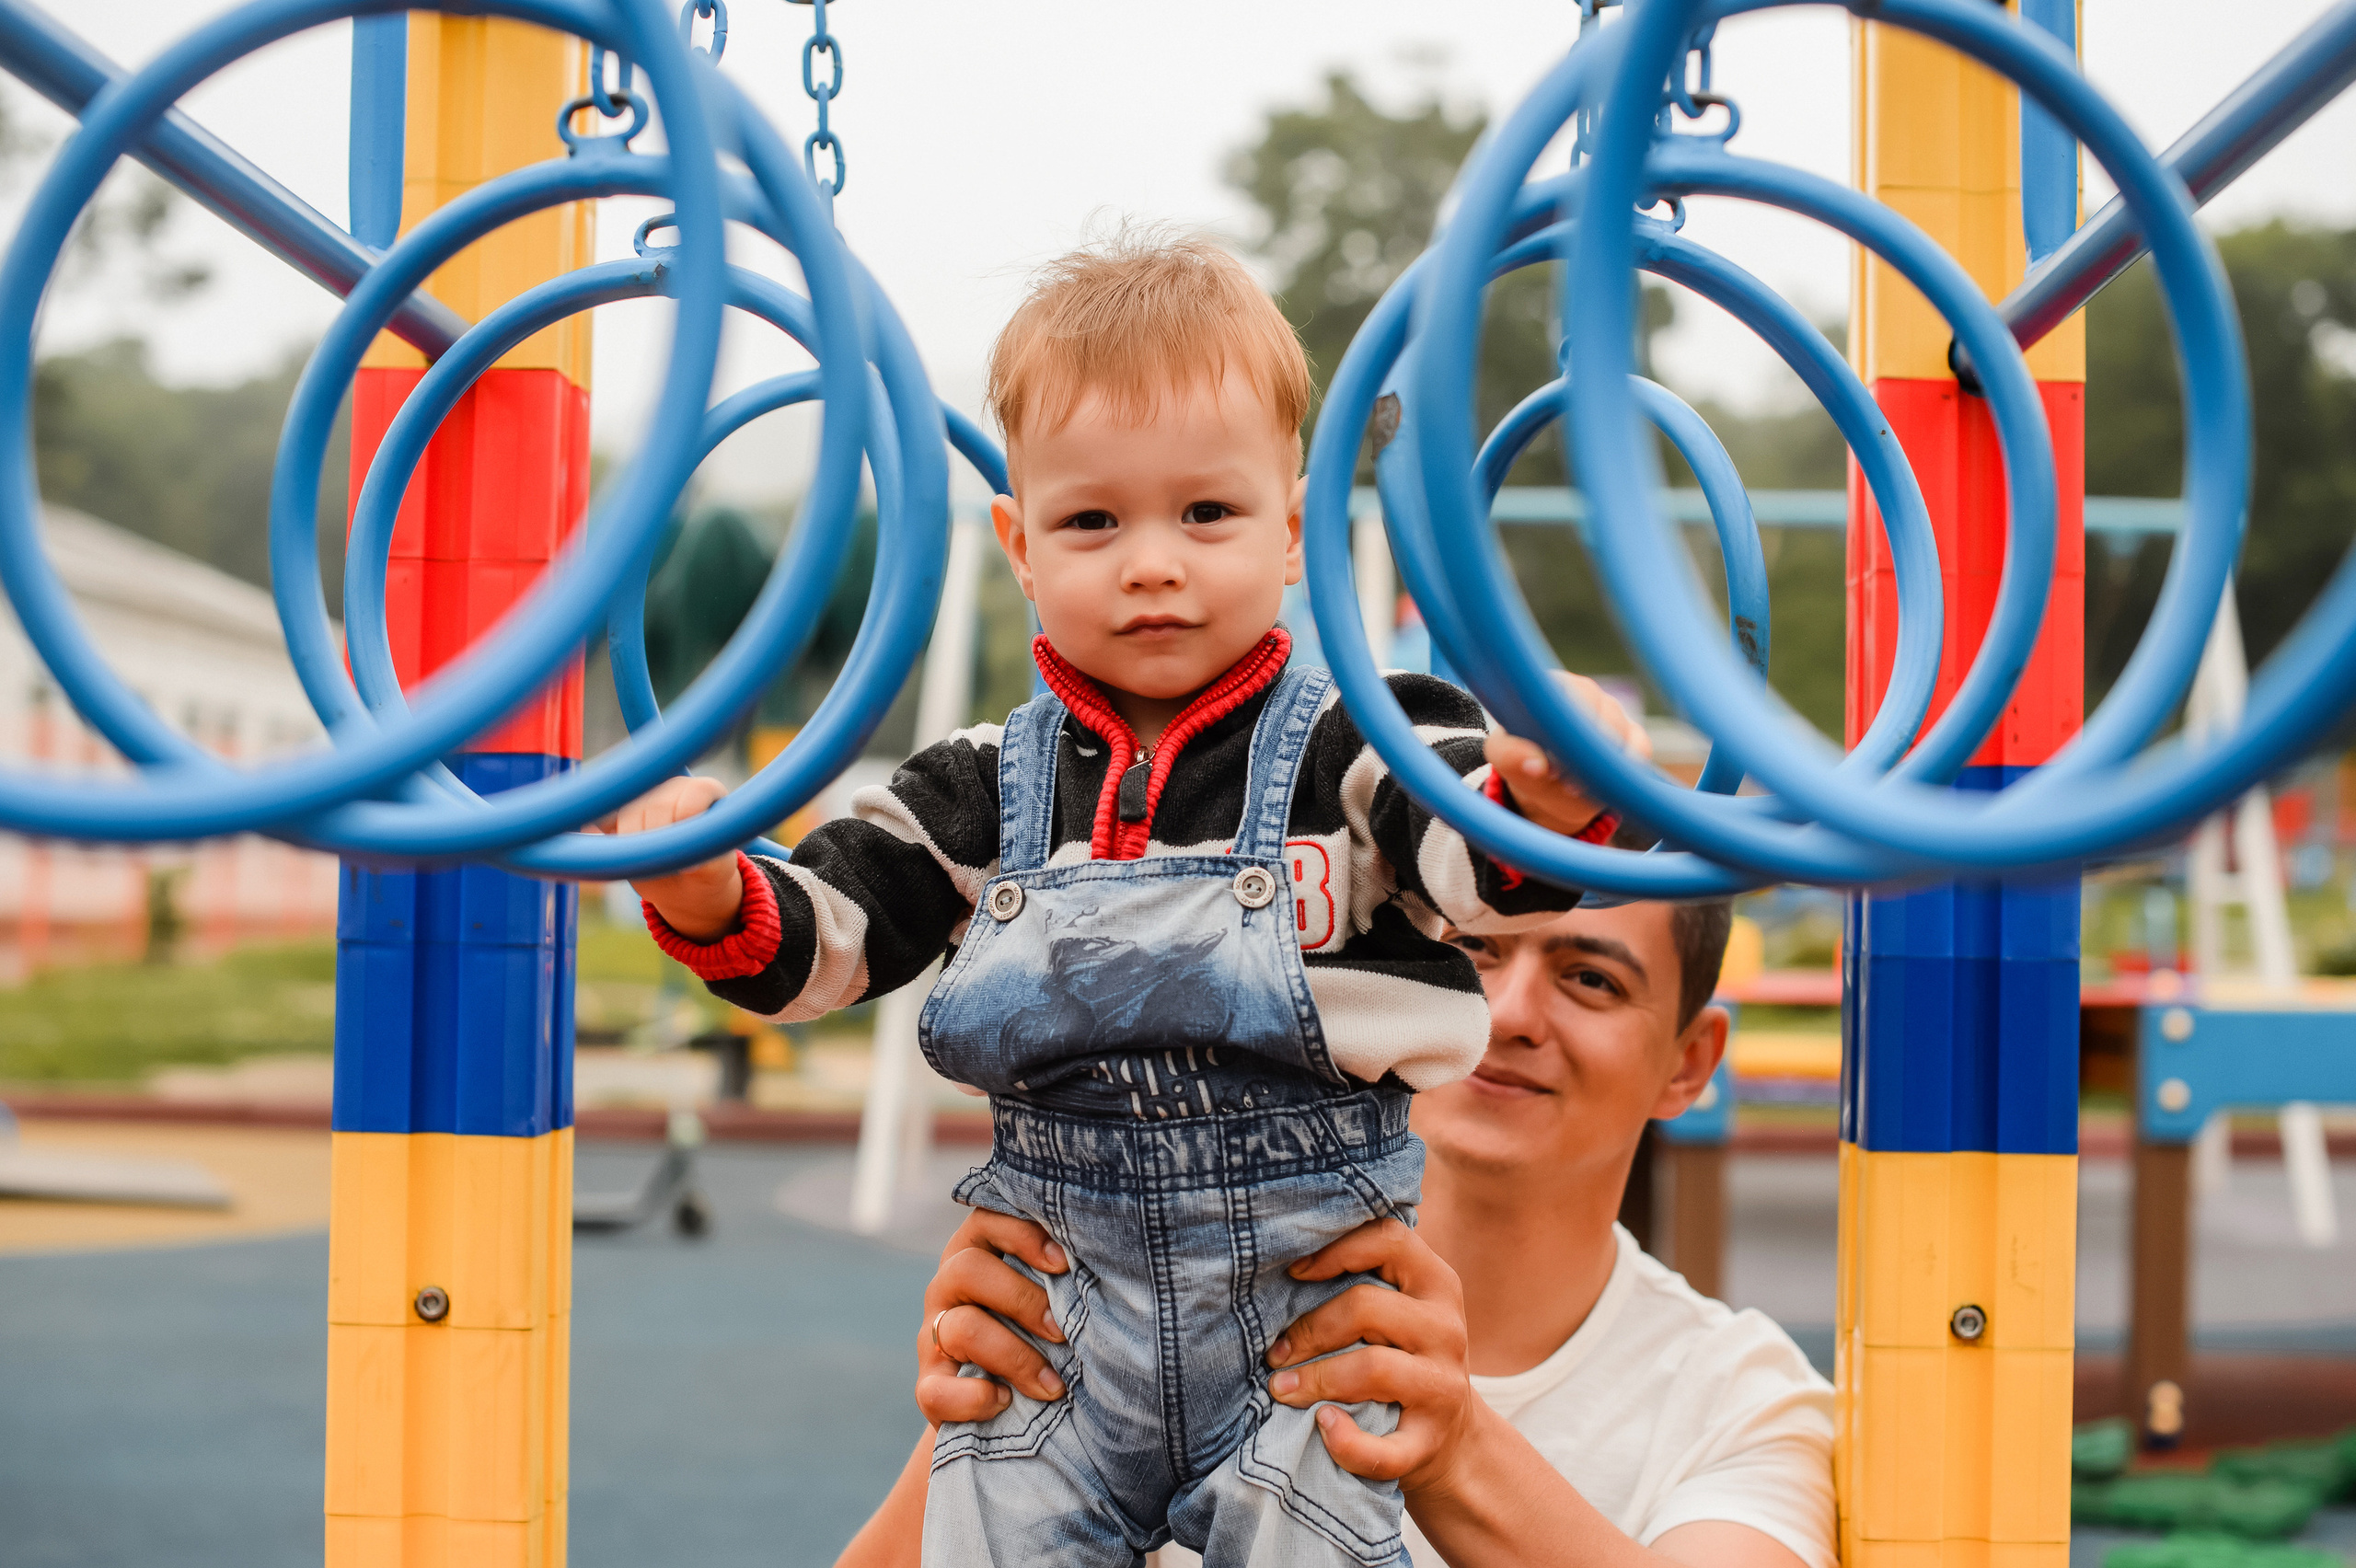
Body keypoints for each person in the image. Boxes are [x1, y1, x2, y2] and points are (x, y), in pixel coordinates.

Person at [606, 230, 1647, 1564]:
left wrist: (1545, 798)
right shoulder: (981, 787)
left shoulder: (1357, 746)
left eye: (1205, 514)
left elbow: (1472, 858)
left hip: (1310, 1320)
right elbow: (825, 943)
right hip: (1049, 1332)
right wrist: (703, 887)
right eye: (1093, 520)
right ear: (1020, 546)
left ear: (1292, 526)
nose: (1151, 561)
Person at [841, 894, 1837, 1568]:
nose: (1509, 1010)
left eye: (1591, 980)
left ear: (1689, 1061)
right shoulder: (1162, 1295)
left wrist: (1451, 1450)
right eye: (1473, 952)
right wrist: (986, 1425)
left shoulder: (1740, 1401)